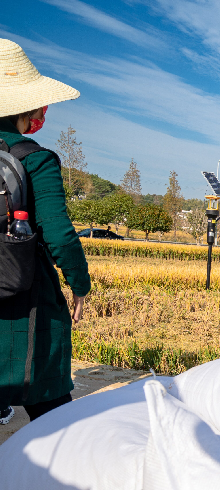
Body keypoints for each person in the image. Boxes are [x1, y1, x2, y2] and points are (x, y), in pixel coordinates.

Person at [0, 39, 90, 420]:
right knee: (49, 402)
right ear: (29, 108)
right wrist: (79, 283)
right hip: (21, 289)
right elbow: (59, 234)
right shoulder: (35, 159)